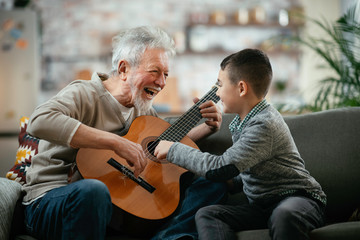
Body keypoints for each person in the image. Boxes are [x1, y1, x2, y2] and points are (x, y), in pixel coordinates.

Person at [22, 26, 227, 240]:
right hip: (50, 200)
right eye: (155, 71)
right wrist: (115, 142)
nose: (162, 82)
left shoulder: (143, 108)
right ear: (123, 69)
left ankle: (167, 237)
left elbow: (161, 148)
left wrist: (207, 128)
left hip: (113, 205)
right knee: (93, 191)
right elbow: (39, 121)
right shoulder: (83, 93)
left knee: (213, 182)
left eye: (166, 74)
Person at [154, 48, 327, 240]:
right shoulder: (243, 122)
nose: (216, 92)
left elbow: (222, 167)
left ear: (242, 88)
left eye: (219, 85)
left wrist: (173, 149)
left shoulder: (264, 123)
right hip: (263, 207)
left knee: (284, 215)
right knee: (207, 213)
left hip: (297, 200)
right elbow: (243, 172)